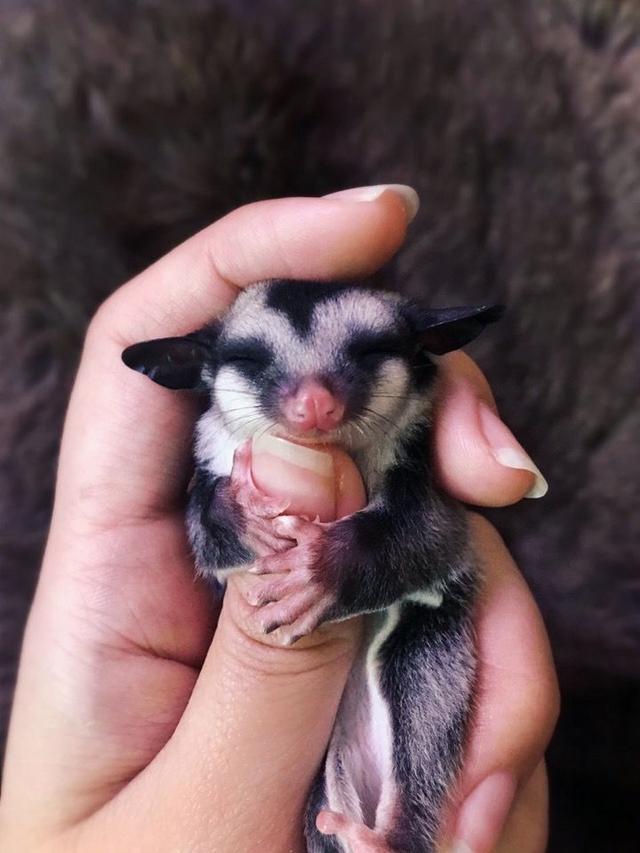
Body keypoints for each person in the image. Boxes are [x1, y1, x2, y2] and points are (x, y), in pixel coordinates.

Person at [0, 187, 559, 853]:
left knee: (425, 682)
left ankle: (396, 833)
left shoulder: (407, 443)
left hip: (407, 647)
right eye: (258, 364)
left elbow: (430, 542)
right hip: (287, 756)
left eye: (363, 356)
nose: (314, 400)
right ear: (203, 372)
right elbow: (214, 549)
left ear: (416, 360)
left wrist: (336, 568)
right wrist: (236, 519)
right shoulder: (217, 455)